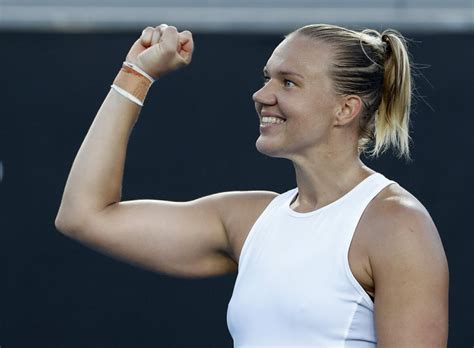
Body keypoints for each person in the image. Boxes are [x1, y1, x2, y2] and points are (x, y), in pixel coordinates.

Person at [55, 23, 449, 347]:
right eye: (267, 78)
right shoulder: (248, 220)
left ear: (345, 109)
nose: (262, 95)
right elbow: (83, 216)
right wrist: (136, 75)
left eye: (289, 83)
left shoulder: (397, 225)